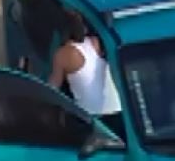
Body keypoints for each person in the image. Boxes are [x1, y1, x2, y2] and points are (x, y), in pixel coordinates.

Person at [48, 9, 125, 138]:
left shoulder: (63, 54)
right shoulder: (96, 42)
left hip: (91, 119)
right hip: (118, 112)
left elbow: (52, 89)